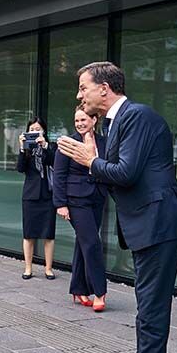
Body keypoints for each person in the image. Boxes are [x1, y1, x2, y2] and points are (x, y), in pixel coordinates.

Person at [58, 61, 177, 353]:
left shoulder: (135, 116)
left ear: (104, 88)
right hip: (149, 221)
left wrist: (91, 161)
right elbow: (117, 174)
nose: (79, 95)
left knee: (151, 307)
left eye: (83, 87)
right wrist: (90, 159)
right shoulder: (119, 120)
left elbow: (126, 172)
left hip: (159, 221)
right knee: (147, 306)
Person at [53, 106, 107, 311]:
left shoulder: (104, 142)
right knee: (92, 242)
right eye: (77, 121)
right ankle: (100, 291)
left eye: (84, 120)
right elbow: (58, 175)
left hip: (97, 198)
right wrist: (60, 204)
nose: (80, 124)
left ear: (94, 120)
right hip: (76, 200)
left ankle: (79, 288)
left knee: (83, 243)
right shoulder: (68, 143)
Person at [16, 117, 56, 280]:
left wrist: (44, 146)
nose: (35, 132)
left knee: (48, 234)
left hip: (47, 194)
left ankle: (48, 268)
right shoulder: (26, 149)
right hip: (30, 195)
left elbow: (54, 161)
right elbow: (20, 169)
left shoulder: (51, 146)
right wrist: (21, 148)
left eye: (38, 129)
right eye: (32, 129)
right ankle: (28, 268)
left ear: (43, 131)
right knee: (29, 233)